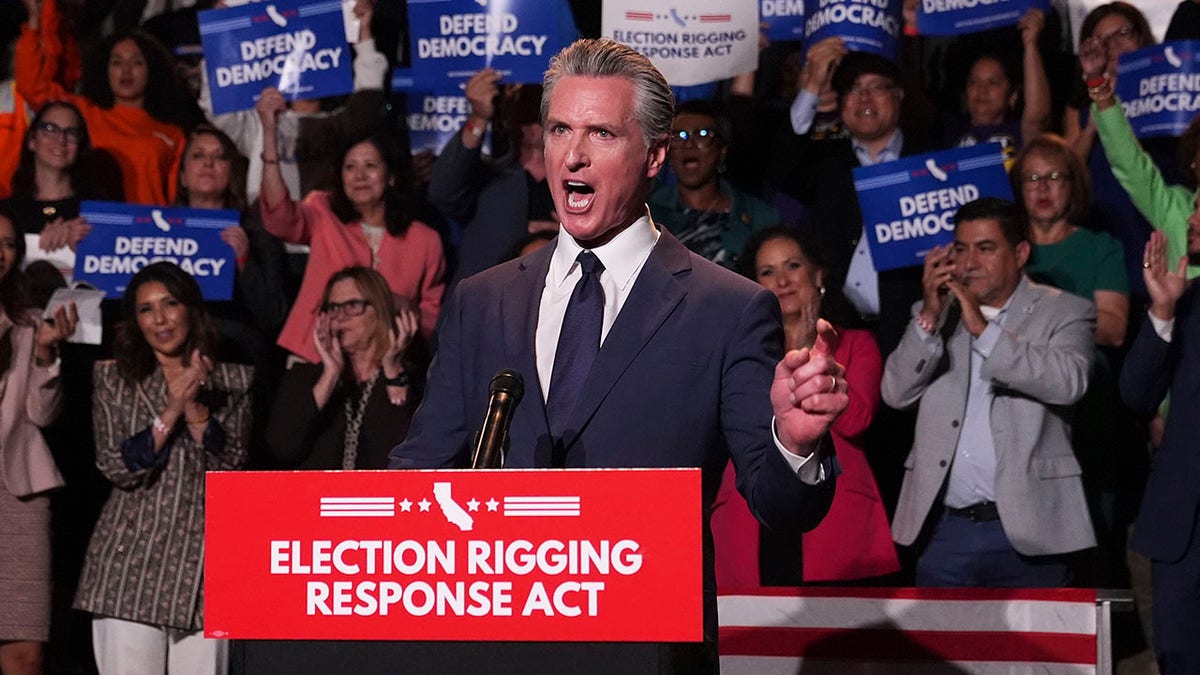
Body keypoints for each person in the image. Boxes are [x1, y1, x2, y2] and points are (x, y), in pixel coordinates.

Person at [389, 38, 844, 671]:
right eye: (559, 129)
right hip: (495, 650)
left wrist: (794, 443)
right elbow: (419, 478)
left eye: (601, 133)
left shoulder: (727, 309)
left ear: (655, 156)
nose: (572, 154)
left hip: (646, 649)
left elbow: (779, 505)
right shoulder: (482, 300)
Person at [881, 197, 1096, 587]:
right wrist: (928, 317)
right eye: (960, 249)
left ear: (1020, 253)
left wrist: (983, 330)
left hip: (1031, 530)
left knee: (1037, 631)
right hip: (946, 531)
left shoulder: (1066, 311)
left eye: (985, 248)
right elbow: (895, 393)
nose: (969, 263)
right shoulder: (934, 314)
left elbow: (1069, 382)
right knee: (942, 628)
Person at [73, 262, 253, 674]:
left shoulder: (232, 381)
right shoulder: (115, 380)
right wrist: (171, 409)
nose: (160, 319)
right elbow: (117, 466)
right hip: (130, 566)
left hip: (205, 569)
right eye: (146, 309)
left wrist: (195, 409)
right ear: (135, 321)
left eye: (170, 304)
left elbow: (231, 467)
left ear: (190, 308)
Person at [711, 225, 897, 586]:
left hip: (834, 519)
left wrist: (809, 346)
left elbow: (857, 421)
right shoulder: (740, 352)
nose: (782, 280)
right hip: (747, 515)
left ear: (818, 275)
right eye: (767, 272)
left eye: (792, 266)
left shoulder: (856, 345)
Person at [772, 47, 930, 356]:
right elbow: (780, 168)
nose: (864, 98)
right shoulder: (826, 163)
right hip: (839, 331)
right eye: (854, 89)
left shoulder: (931, 163)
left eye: (876, 87)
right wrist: (812, 85)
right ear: (841, 103)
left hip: (915, 329)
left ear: (899, 95)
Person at [258, 127, 445, 364]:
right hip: (316, 354)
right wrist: (269, 139)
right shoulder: (323, 211)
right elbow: (279, 217)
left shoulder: (425, 240)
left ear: (391, 176)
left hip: (387, 362)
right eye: (350, 167)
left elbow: (431, 315)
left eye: (370, 165)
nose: (359, 176)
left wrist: (403, 307)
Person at [16, 0, 199, 204]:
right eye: (117, 62)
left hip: (146, 224)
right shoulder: (84, 113)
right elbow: (32, 87)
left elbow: (175, 201)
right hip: (91, 222)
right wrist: (34, 23)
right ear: (105, 70)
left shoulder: (173, 134)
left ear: (151, 71)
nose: (126, 71)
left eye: (137, 62)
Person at [0, 205, 77, 675]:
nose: (0, 252)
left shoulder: (29, 324)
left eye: (9, 244)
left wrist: (47, 353)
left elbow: (42, 415)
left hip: (17, 495)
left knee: (25, 654)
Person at [1121, 226, 1200, 674]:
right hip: (1185, 532)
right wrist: (1162, 311)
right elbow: (1136, 395)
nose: (1192, 218)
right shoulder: (1184, 303)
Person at [267, 266, 417, 469]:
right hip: (316, 489)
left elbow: (407, 456)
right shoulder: (304, 376)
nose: (340, 316)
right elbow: (282, 447)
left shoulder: (411, 379)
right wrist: (330, 375)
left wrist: (392, 372)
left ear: (380, 310)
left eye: (352, 305)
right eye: (333, 307)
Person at [174, 123, 290, 369]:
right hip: (172, 352)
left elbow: (271, 314)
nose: (208, 163)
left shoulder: (258, 234)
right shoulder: (158, 231)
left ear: (232, 173)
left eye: (220, 157)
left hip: (237, 356)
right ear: (183, 176)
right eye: (198, 156)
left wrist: (245, 262)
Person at [428, 70, 553, 289]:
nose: (533, 115)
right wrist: (479, 117)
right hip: (486, 302)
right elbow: (442, 193)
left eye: (541, 103)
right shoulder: (485, 178)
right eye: (523, 105)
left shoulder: (580, 182)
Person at [1012, 134, 1128, 347]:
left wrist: (1045, 311)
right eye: (1032, 178)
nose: (1042, 187)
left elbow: (1113, 331)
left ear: (1073, 185)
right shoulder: (1006, 247)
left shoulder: (1101, 248)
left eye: (1054, 177)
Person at [647, 99, 778, 270]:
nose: (689, 144)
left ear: (722, 150)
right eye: (679, 136)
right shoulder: (647, 212)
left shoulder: (759, 216)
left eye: (702, 135)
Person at [942, 9, 1050, 163]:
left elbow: (1037, 116)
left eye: (993, 82)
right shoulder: (951, 130)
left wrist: (1030, 43)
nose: (982, 90)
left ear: (1012, 97)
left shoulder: (1018, 133)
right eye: (974, 82)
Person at [4, 100, 93, 248]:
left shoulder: (95, 213)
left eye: (71, 133)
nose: (61, 140)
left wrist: (82, 246)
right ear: (32, 140)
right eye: (50, 129)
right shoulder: (6, 213)